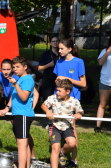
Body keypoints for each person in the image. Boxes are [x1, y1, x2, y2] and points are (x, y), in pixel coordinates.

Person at [0, 58, 38, 163]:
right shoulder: (19, 78)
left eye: (15, 67)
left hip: (23, 113)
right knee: (21, 142)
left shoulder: (23, 78)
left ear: (25, 67)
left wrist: (31, 108)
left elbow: (26, 96)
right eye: (4, 69)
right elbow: (13, 95)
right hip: (16, 112)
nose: (7, 71)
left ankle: (30, 158)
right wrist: (6, 108)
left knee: (22, 143)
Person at [53, 38, 86, 168]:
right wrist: (58, 82)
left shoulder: (79, 62)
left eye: (61, 48)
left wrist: (67, 78)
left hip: (72, 99)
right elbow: (57, 81)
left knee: (72, 128)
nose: (59, 51)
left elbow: (83, 83)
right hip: (58, 99)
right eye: (59, 48)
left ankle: (73, 160)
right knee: (57, 126)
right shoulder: (59, 62)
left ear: (70, 49)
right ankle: (59, 155)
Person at [41, 79, 84, 168]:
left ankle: (62, 152)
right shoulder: (53, 98)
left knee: (72, 143)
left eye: (60, 91)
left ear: (68, 91)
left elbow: (81, 111)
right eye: (57, 90)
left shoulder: (74, 101)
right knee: (55, 148)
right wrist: (48, 111)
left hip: (67, 126)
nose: (57, 92)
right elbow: (43, 105)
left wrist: (78, 114)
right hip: (54, 126)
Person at [38, 36, 60, 129]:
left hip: (59, 80)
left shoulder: (61, 53)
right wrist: (48, 65)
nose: (55, 43)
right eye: (53, 41)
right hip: (48, 79)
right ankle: (46, 122)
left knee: (58, 100)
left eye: (57, 41)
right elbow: (39, 68)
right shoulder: (46, 54)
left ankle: (57, 121)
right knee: (47, 100)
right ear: (50, 43)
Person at [95, 36, 111, 133]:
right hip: (106, 82)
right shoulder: (105, 51)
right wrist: (108, 51)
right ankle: (98, 127)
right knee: (102, 105)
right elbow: (100, 62)